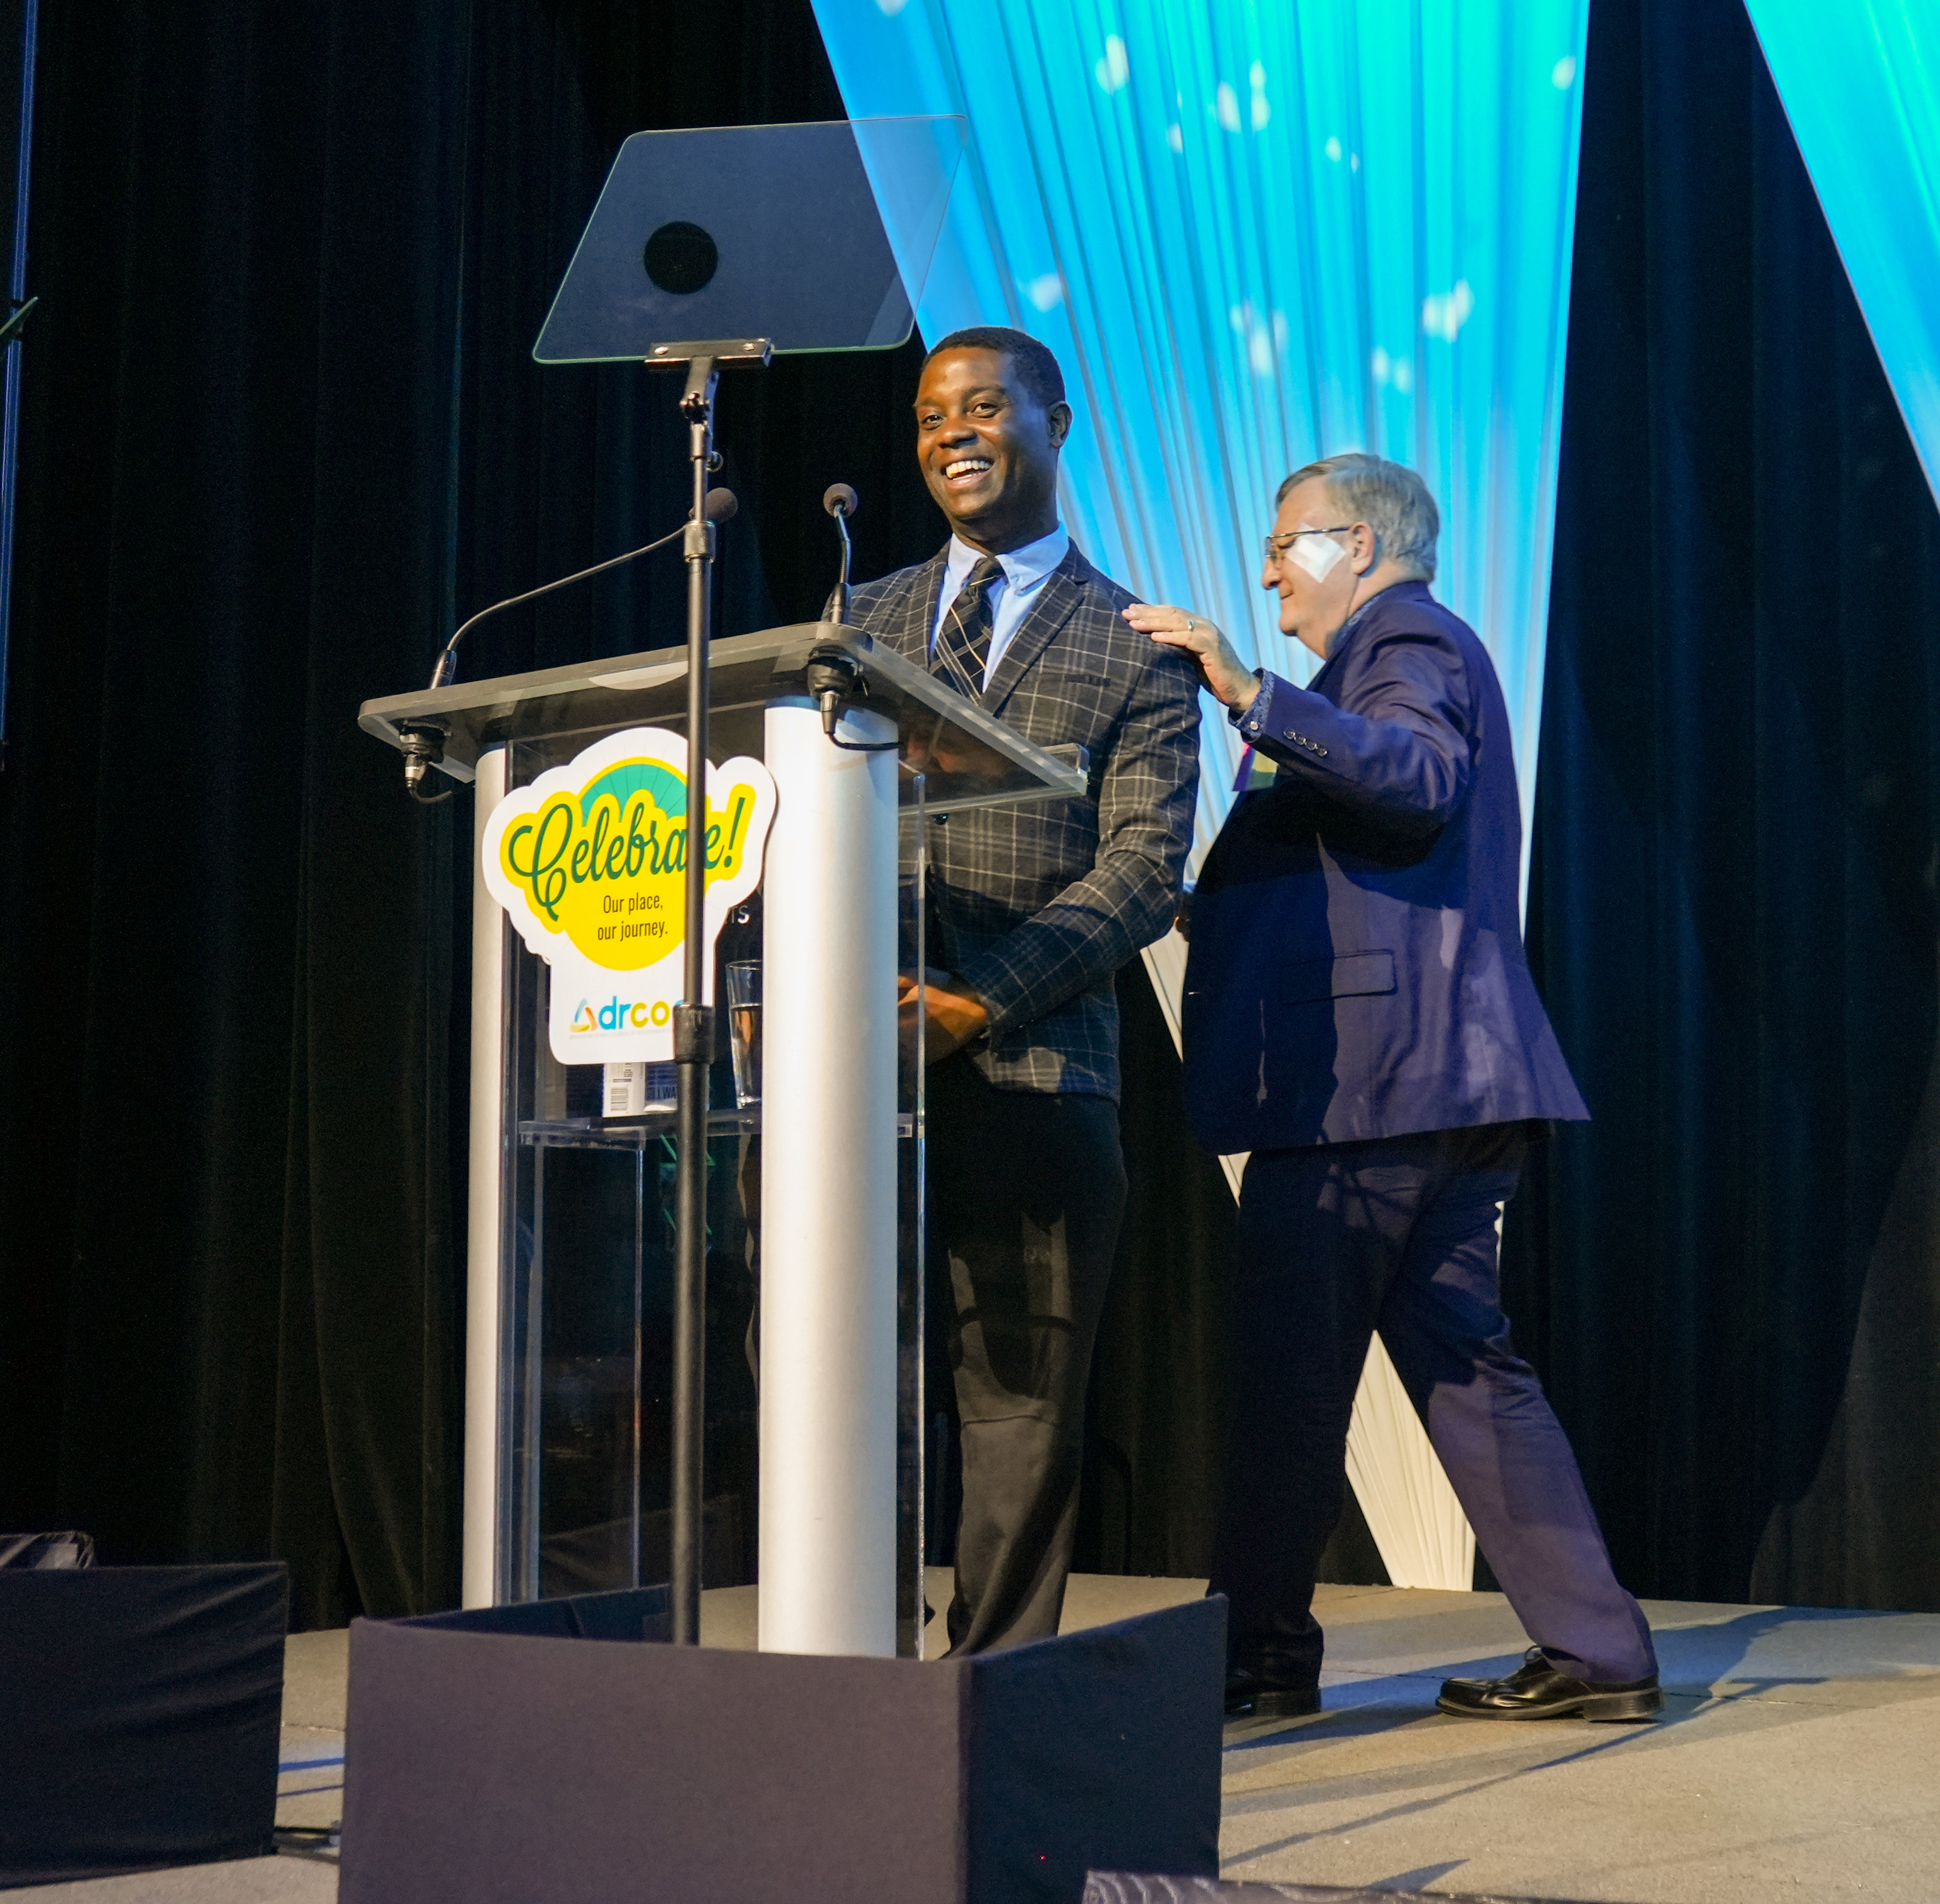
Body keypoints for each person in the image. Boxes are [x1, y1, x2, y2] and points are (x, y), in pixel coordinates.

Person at [1125, 452, 1660, 1722]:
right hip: (1442, 1086)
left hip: (1370, 1093)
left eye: (1288, 541)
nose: (1265, 570)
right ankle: (1599, 1652)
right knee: (1474, 1376)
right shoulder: (1385, 657)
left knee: (1287, 1377)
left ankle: (1254, 1655)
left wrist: (1244, 687)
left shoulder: (1403, 636)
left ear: (1359, 544)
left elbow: (1413, 780)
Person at [844, 326, 1201, 1653]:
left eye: (985, 406)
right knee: (837, 1384)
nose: (954, 433)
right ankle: (845, 1666)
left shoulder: (1138, 647)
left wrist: (975, 1002)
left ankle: (983, 1692)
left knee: (1017, 1409)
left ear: (1058, 419)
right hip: (847, 1071)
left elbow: (1142, 875)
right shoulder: (857, 621)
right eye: (933, 414)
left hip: (1034, 1071)